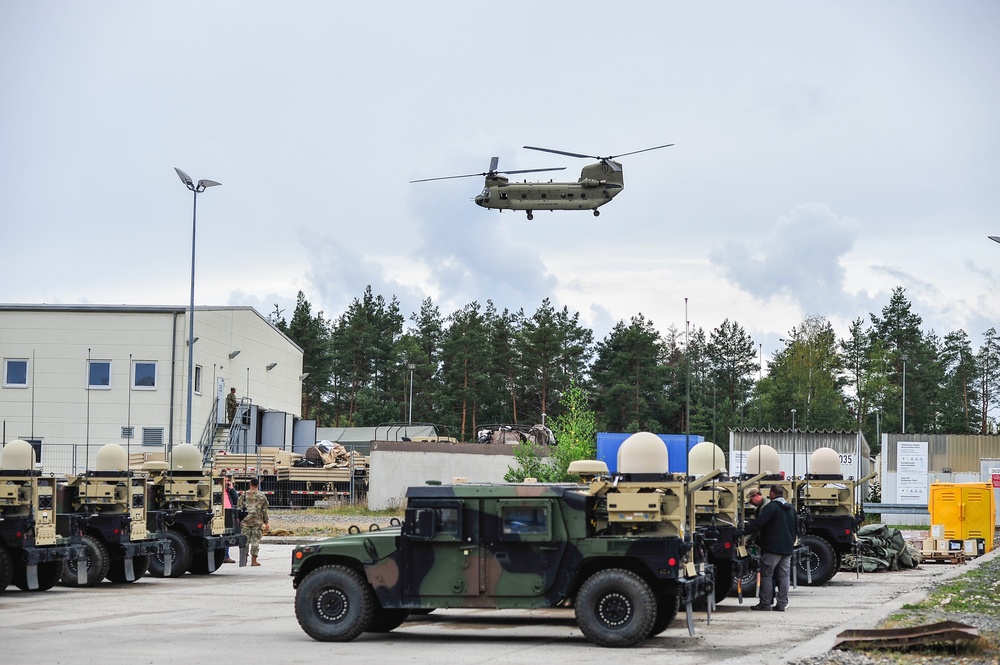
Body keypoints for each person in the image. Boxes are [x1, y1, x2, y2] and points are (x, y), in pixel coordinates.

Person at [744, 484, 797, 612]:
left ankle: (765, 603)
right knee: (784, 577)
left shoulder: (771, 507)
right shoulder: (791, 509)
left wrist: (742, 532)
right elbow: (796, 527)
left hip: (772, 548)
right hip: (787, 549)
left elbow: (758, 524)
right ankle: (781, 604)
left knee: (767, 575)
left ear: (772, 493)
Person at [237, 477, 269, 566]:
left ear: (250, 484)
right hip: (257, 521)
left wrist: (239, 520)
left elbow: (239, 508)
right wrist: (266, 522)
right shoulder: (262, 496)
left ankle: (244, 559)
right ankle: (254, 560)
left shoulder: (243, 495)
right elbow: (264, 510)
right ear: (258, 485)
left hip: (245, 520)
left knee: (245, 540)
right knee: (255, 540)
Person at [222, 476, 239, 563]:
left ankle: (226, 556)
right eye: (224, 480)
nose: (226, 482)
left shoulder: (228, 491)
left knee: (228, 535)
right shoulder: (217, 489)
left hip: (229, 512)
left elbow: (237, 499)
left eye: (227, 480)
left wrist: (232, 489)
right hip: (220, 513)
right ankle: (223, 556)